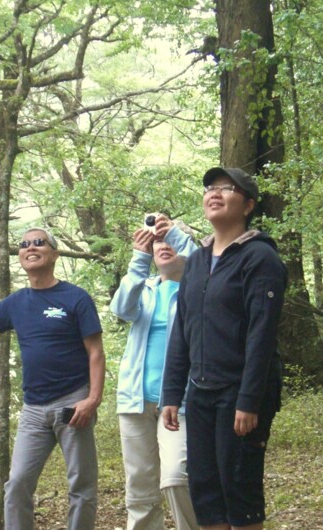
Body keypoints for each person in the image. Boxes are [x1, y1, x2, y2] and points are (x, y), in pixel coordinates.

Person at [0, 227, 105, 530]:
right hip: (33, 409)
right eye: (24, 244)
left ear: (54, 254)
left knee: (81, 486)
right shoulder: (17, 302)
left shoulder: (76, 298)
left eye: (39, 242)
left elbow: (96, 353)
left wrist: (92, 399)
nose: (30, 247)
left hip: (73, 402)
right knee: (17, 483)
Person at [161, 167, 287, 530]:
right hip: (200, 392)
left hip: (242, 392)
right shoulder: (198, 261)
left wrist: (249, 401)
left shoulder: (259, 258)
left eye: (226, 188)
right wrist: (172, 392)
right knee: (205, 491)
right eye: (209, 188)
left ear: (248, 205)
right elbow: (183, 330)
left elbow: (261, 335)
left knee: (239, 489)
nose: (214, 193)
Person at [110, 214, 200, 530]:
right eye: (157, 240)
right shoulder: (143, 288)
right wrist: (139, 257)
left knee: (175, 477)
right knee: (140, 490)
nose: (163, 245)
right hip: (135, 402)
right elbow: (121, 309)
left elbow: (206, 265)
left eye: (169, 238)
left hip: (181, 402)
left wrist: (174, 234)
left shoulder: (200, 290)